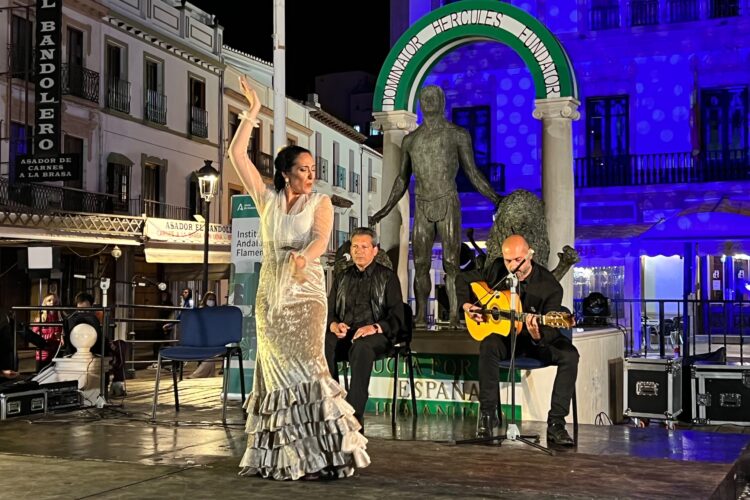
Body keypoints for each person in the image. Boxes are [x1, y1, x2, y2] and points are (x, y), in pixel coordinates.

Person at [229, 75, 369, 480]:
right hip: (271, 294)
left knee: (309, 368)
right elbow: (237, 154)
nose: (311, 174)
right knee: (274, 375)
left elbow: (322, 240)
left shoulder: (320, 202)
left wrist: (303, 262)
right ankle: (284, 456)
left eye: (313, 169)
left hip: (305, 292)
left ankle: (323, 455)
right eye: (304, 169)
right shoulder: (268, 200)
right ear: (287, 173)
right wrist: (252, 112)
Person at [370, 85, 501, 329]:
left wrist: (495, 198)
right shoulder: (411, 140)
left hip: (447, 201)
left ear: (442, 102)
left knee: (452, 263)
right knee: (421, 263)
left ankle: (454, 315)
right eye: (425, 98)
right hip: (422, 203)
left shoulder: (457, 134)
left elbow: (472, 172)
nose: (429, 101)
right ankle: (420, 315)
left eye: (434, 97)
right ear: (420, 103)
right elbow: (402, 178)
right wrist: (386, 207)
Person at [463, 235, 579, 446]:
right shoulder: (498, 269)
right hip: (508, 339)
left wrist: (538, 336)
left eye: (518, 260)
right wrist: (467, 306)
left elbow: (553, 331)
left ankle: (556, 424)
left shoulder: (549, 286)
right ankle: (487, 417)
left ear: (530, 255)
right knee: (488, 344)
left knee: (570, 355)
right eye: (508, 260)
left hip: (537, 342)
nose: (512, 266)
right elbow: (461, 279)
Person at [325, 227, 405, 430]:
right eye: (355, 247)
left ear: (375, 250)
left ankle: (353, 414)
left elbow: (397, 316)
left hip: (377, 336)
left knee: (361, 347)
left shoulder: (387, 277)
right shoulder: (342, 277)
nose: (359, 251)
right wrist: (334, 325)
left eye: (364, 247)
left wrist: (375, 327)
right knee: (326, 342)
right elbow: (329, 311)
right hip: (346, 333)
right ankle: (332, 404)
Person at [188, 291, 219, 379]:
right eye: (209, 299)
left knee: (210, 356)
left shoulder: (216, 311)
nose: (211, 301)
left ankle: (207, 373)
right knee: (210, 356)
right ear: (205, 300)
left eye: (213, 299)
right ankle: (199, 374)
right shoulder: (201, 310)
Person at [32, 293, 63, 372]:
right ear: (45, 302)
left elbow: (62, 335)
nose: (52, 303)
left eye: (55, 302)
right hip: (43, 353)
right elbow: (34, 336)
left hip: (56, 352)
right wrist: (52, 335)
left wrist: (61, 337)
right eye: (49, 300)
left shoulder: (60, 319)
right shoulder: (40, 318)